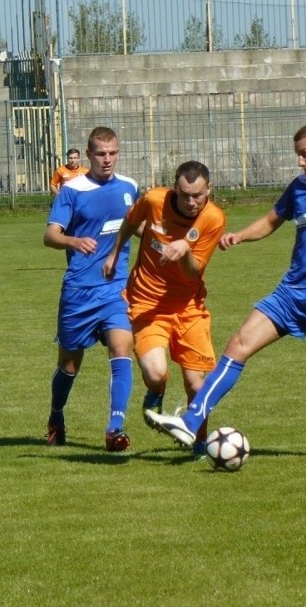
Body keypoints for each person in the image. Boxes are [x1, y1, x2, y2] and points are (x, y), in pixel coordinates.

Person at [145, 86, 306, 454]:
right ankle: (191, 421)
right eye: (298, 155)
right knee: (238, 345)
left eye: (305, 154)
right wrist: (240, 236)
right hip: (293, 292)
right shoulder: (298, 188)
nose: (300, 162)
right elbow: (271, 221)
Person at [103, 161, 226, 458]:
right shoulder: (154, 199)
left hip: (189, 307)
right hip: (147, 303)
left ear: (208, 189)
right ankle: (155, 395)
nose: (191, 202)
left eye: (197, 195)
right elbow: (131, 223)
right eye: (184, 194)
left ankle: (199, 442)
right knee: (156, 373)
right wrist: (114, 253)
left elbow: (194, 272)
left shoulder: (213, 218)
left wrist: (183, 251)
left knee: (196, 384)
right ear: (174, 188)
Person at [43, 127, 138, 451]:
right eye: (100, 153)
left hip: (115, 289)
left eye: (112, 153)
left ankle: (115, 428)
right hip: (79, 292)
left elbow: (137, 226)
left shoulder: (129, 187)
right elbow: (50, 235)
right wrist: (72, 240)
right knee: (69, 366)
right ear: (88, 154)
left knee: (122, 349)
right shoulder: (72, 190)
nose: (107, 159)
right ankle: (56, 415)